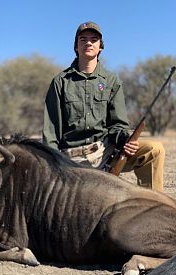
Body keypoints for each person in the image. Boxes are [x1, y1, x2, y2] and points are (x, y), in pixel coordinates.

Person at [42, 21, 165, 192]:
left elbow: (118, 125)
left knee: (154, 150)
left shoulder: (112, 81)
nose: (89, 43)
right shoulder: (60, 82)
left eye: (94, 39)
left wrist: (124, 140)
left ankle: (153, 208)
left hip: (105, 153)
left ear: (101, 47)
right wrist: (53, 166)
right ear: (76, 47)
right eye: (83, 39)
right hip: (70, 160)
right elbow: (51, 133)